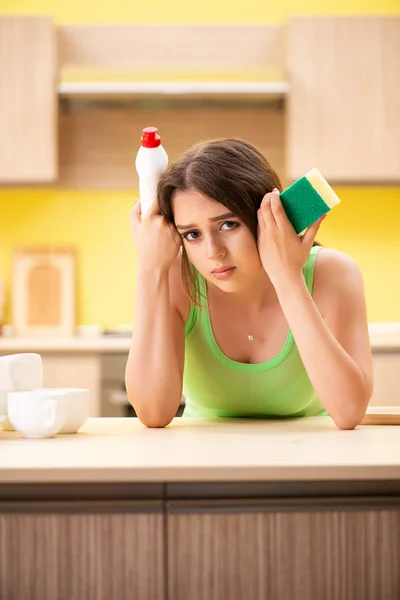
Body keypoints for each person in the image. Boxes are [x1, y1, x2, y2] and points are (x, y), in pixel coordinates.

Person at [126, 138, 373, 429]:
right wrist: (149, 268)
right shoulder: (176, 278)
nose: (213, 252)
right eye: (192, 234)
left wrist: (288, 277)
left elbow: (349, 412)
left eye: (228, 224)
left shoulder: (334, 273)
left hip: (310, 454)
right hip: (203, 457)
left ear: (266, 216)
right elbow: (153, 414)